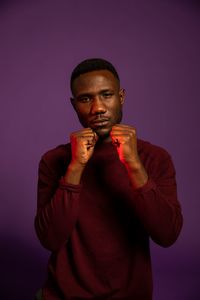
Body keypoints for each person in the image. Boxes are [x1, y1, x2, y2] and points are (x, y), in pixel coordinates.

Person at [35, 58, 183, 300]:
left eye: (106, 95)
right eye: (86, 99)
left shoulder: (155, 158)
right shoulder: (54, 161)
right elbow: (50, 238)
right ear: (74, 105)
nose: (98, 108)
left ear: (121, 97)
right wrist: (76, 166)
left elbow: (167, 235)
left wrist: (134, 164)